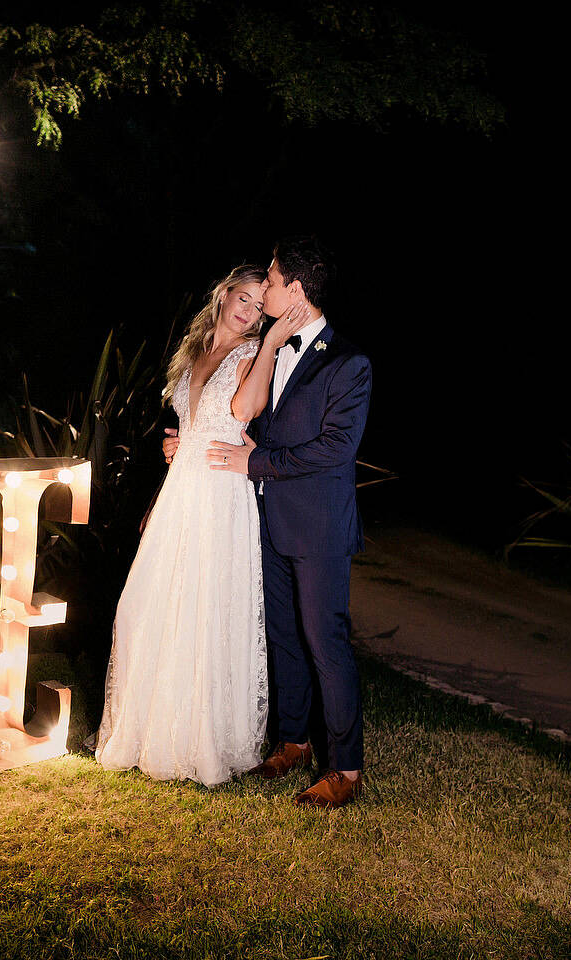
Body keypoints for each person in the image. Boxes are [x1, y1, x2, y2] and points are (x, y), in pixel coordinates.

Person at [95, 264, 308, 786]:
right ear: (224, 294)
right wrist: (165, 476)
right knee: (148, 604)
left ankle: (205, 740)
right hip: (181, 493)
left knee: (206, 609)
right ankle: (152, 730)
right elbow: (186, 429)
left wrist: (271, 342)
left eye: (262, 306)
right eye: (244, 298)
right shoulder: (192, 354)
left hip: (220, 495)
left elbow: (245, 409)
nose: (250, 310)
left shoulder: (250, 355)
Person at [201, 236, 372, 808]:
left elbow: (335, 449)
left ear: (295, 290)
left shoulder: (350, 363)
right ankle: (294, 740)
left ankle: (345, 769)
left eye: (271, 280)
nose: (265, 288)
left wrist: (259, 460)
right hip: (269, 520)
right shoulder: (267, 349)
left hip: (319, 528)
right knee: (285, 639)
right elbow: (262, 426)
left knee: (326, 642)